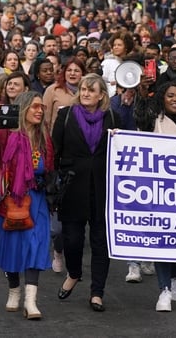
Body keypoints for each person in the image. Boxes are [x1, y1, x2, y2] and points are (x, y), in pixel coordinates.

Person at [0, 91, 53, 320]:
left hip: (35, 199)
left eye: (42, 107)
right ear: (23, 109)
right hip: (9, 200)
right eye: (35, 107)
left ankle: (31, 301)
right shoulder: (4, 133)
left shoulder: (44, 136)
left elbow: (49, 166)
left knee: (36, 246)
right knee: (11, 248)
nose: (40, 111)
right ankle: (14, 290)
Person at [52, 74, 120, 312]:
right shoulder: (66, 115)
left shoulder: (112, 117)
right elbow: (55, 150)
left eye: (91, 90)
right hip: (72, 186)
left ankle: (97, 293)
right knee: (72, 239)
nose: (86, 93)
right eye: (83, 89)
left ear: (102, 95)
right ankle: (74, 273)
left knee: (101, 242)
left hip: (103, 188)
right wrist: (53, 182)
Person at [133, 81, 176, 312]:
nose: (174, 100)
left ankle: (173, 278)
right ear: (162, 98)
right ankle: (164, 291)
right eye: (170, 95)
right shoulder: (153, 120)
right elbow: (139, 119)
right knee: (162, 239)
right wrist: (141, 96)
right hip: (158, 191)